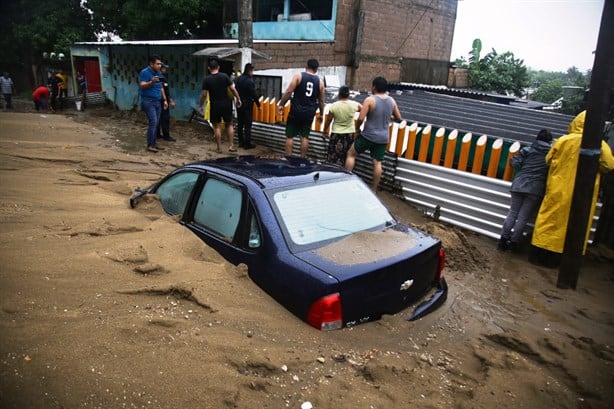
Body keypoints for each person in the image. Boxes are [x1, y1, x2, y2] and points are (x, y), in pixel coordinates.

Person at [530, 110, 614, 267]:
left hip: (558, 188)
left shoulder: (564, 140)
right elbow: (609, 165)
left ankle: (538, 256)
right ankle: (562, 262)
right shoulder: (600, 144)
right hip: (584, 193)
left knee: (549, 220)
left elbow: (548, 159)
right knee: (575, 226)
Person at [498, 129, 552, 252]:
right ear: (549, 141)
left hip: (519, 185)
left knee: (512, 213)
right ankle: (514, 243)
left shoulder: (527, 150)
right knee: (523, 217)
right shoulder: (551, 155)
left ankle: (502, 241)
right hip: (535, 189)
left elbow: (515, 163)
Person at [345, 76, 402, 191]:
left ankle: (345, 181)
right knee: (377, 163)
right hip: (383, 138)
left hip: (368, 136)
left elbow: (361, 118)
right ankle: (374, 189)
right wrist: (388, 117)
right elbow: (398, 117)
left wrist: (357, 129)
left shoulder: (370, 100)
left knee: (351, 154)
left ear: (374, 87)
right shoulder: (391, 101)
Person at [277, 59, 325, 157]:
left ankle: (288, 158)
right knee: (304, 136)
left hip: (296, 111)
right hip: (309, 113)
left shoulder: (298, 76)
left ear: (306, 66)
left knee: (290, 136)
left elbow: (289, 91)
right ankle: (302, 159)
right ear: (316, 70)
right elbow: (321, 101)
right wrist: (321, 114)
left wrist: (281, 104)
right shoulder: (320, 83)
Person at [199, 59, 241, 153]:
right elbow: (233, 90)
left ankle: (219, 148)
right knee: (229, 124)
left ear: (209, 68)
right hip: (226, 104)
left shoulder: (206, 80)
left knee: (216, 126)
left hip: (215, 105)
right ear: (218, 67)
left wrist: (200, 105)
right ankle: (231, 146)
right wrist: (238, 98)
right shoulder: (224, 76)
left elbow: (204, 95)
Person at [322, 85, 362, 165]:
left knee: (333, 156)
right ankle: (345, 174)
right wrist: (358, 127)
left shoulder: (334, 106)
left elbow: (329, 120)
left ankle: (332, 173)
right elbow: (364, 109)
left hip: (336, 134)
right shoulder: (354, 105)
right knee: (347, 155)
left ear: (339, 94)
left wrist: (325, 130)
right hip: (350, 134)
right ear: (348, 95)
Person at [138, 55, 168, 153]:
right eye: (157, 64)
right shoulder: (145, 72)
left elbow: (161, 87)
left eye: (160, 64)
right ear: (151, 64)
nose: (160, 65)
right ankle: (150, 145)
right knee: (153, 122)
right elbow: (142, 85)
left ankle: (154, 143)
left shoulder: (159, 73)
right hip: (148, 102)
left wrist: (164, 100)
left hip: (158, 101)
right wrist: (151, 82)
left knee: (156, 123)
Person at [234, 63, 261, 149]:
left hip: (239, 103)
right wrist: (258, 105)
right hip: (247, 105)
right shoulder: (249, 81)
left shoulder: (238, 79)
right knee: (248, 125)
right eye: (252, 71)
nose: (252, 73)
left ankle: (240, 142)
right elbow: (253, 94)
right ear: (250, 70)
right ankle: (247, 144)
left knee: (240, 124)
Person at [156, 63, 176, 142]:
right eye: (164, 68)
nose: (165, 70)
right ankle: (166, 135)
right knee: (165, 118)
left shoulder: (158, 77)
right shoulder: (162, 78)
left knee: (158, 117)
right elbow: (165, 91)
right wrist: (169, 100)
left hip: (157, 100)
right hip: (162, 100)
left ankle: (157, 134)